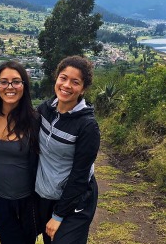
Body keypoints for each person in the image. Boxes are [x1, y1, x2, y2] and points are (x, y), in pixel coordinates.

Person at [35, 55, 101, 244]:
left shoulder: (87, 126)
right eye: (63, 78)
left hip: (76, 200)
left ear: (83, 88)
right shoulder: (46, 110)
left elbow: (80, 176)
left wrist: (58, 215)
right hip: (47, 194)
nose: (66, 85)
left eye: (75, 82)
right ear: (56, 78)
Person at [0, 61, 40, 244]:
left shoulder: (34, 121)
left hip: (29, 202)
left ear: (24, 86)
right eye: (4, 82)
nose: (9, 87)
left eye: (16, 82)